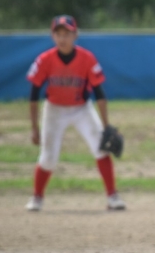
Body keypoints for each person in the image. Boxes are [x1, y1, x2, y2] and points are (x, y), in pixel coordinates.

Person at [25, 15, 126, 211]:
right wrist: (34, 128)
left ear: (75, 35)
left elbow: (99, 92)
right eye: (58, 34)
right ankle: (37, 197)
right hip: (54, 109)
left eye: (67, 34)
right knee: (48, 157)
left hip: (81, 109)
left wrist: (106, 125)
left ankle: (112, 196)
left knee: (101, 149)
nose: (62, 38)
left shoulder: (87, 58)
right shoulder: (45, 60)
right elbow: (34, 94)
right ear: (53, 36)